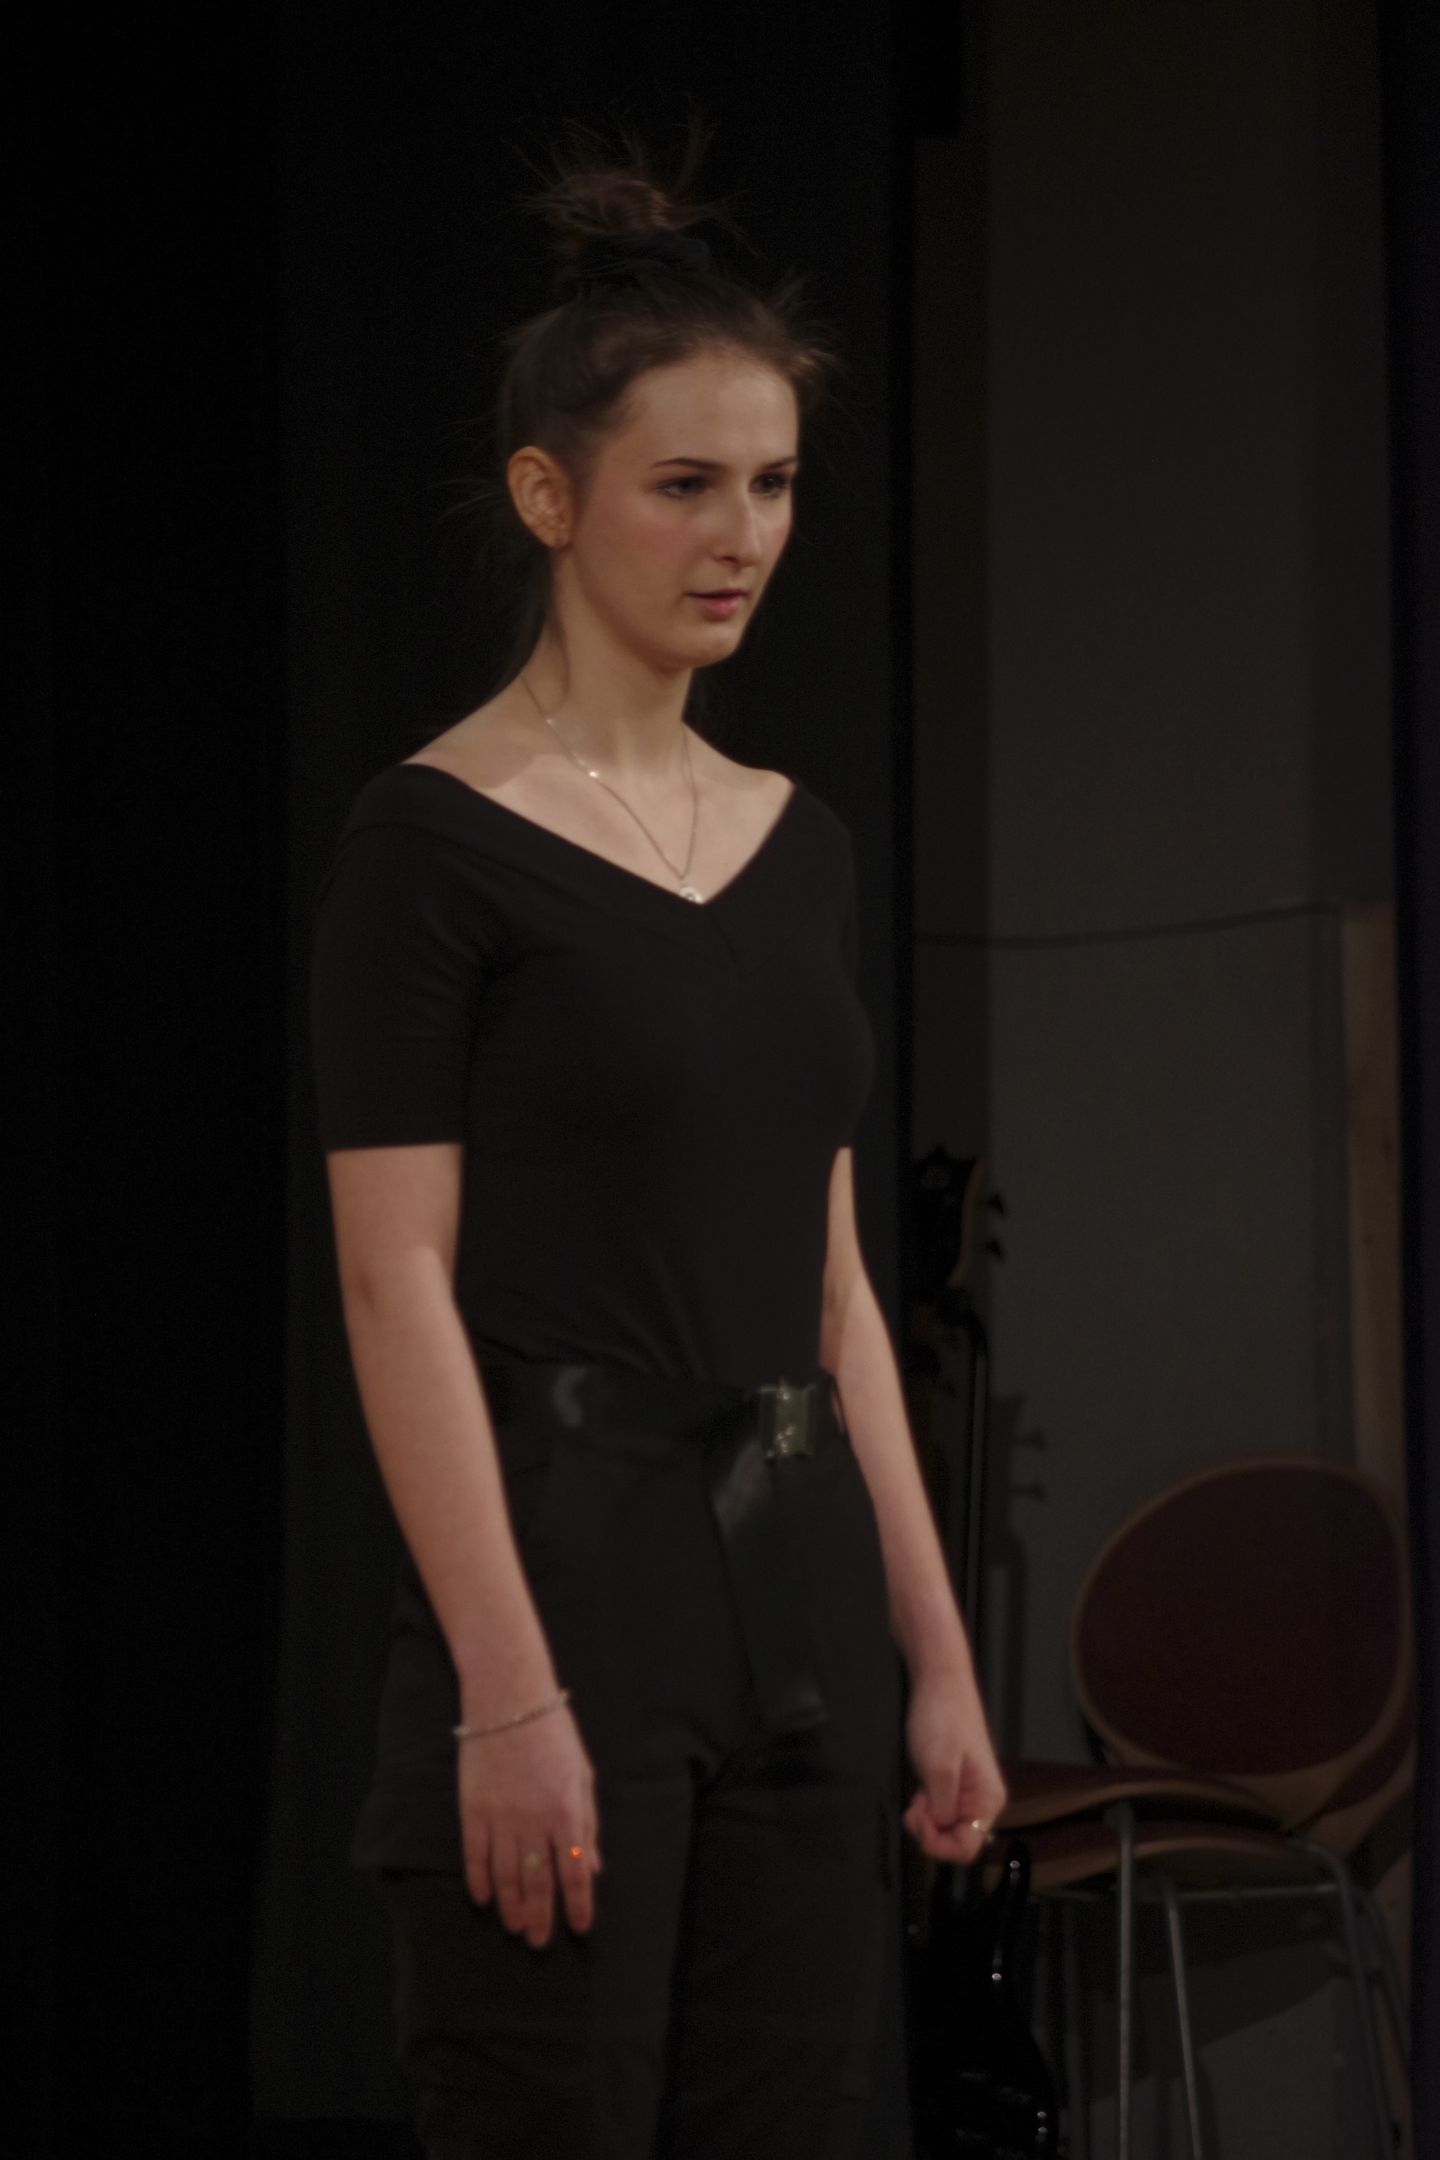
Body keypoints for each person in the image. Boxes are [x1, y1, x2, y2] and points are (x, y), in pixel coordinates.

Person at [309, 120, 1006, 2160]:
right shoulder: (431, 842)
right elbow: (395, 1280)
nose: (743, 534)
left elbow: (834, 1288)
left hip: (794, 1566)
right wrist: (502, 1686)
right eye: (685, 484)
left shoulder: (801, 845)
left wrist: (937, 1654)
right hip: (567, 1560)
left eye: (772, 483)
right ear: (552, 496)